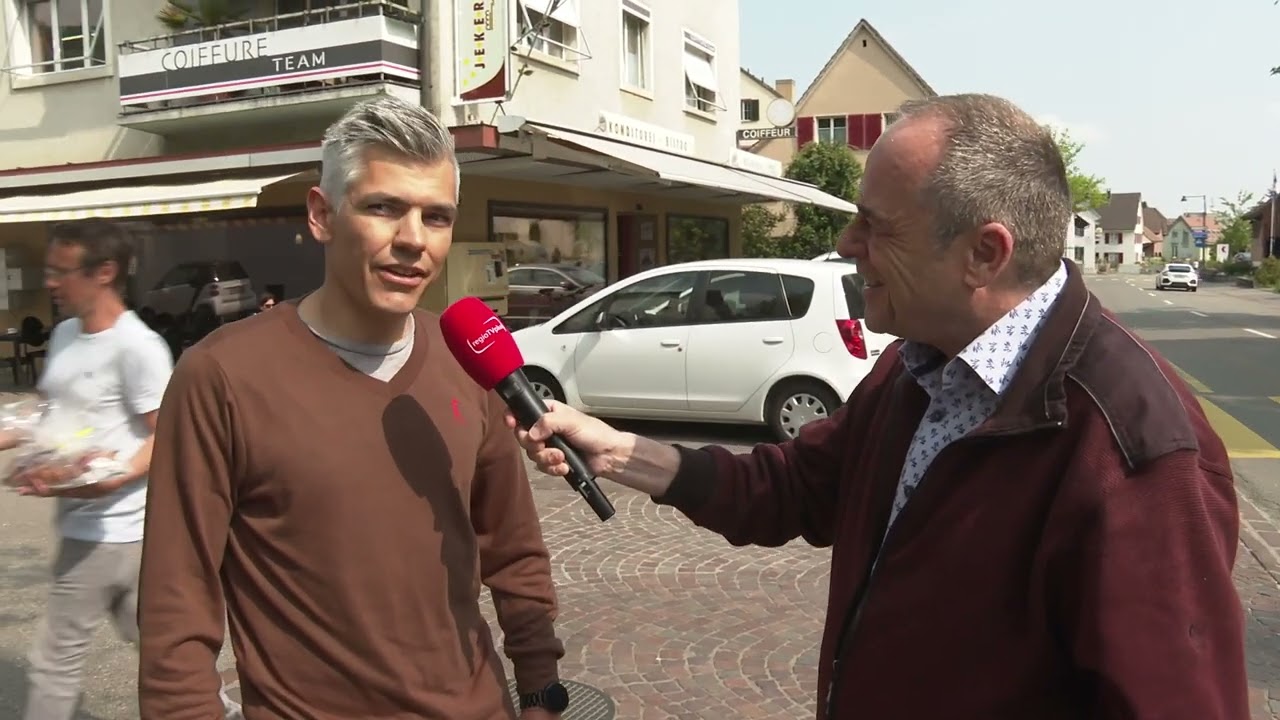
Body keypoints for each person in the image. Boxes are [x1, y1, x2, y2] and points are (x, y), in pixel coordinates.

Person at [507, 94, 1247, 719]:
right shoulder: (915, 365)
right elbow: (796, 487)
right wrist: (622, 451)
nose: (846, 241)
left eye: (876, 224)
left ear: (984, 254)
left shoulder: (1135, 448)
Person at [137, 95, 567, 720]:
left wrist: (542, 694)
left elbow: (514, 551)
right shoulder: (220, 377)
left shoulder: (469, 363)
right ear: (322, 214)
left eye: (437, 217)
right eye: (383, 208)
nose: (412, 240)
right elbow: (176, 608)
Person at [14, 219, 173, 720]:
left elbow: (166, 432)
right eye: (49, 271)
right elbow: (50, 413)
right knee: (156, 649)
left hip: (111, 529)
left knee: (54, 661)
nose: (52, 283)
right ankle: (221, 710)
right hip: (93, 525)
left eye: (63, 272)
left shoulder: (138, 347)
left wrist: (117, 475)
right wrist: (22, 441)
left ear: (105, 271)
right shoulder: (64, 334)